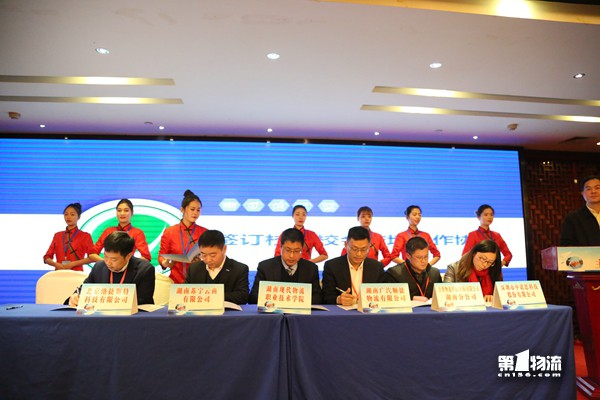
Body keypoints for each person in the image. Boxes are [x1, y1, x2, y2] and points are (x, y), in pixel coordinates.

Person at [67, 231, 155, 306]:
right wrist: (75, 296)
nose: (108, 262)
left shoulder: (145, 270)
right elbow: (84, 289)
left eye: (113, 259)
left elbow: (144, 302)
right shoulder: (99, 267)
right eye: (105, 256)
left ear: (128, 256)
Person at [249, 228, 322, 304]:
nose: (291, 255)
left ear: (302, 249)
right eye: (288, 250)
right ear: (281, 247)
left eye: (297, 251)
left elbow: (317, 298)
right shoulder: (265, 267)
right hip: (273, 311)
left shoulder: (311, 269)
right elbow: (253, 297)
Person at [322, 226, 384, 305]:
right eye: (354, 249)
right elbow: (325, 297)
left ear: (369, 247)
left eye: (364, 249)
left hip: (369, 311)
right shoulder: (332, 266)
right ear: (346, 245)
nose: (359, 254)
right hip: (343, 312)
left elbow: (383, 295)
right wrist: (338, 299)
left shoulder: (377, 268)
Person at [185, 230, 249, 305]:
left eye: (213, 255)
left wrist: (211, 296)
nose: (208, 259)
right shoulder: (194, 269)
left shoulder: (239, 269)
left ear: (224, 249)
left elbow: (243, 297)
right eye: (203, 255)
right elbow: (185, 293)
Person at [158, 190, 207, 283]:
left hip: (199, 282)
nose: (195, 213)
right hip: (175, 282)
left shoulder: (204, 233)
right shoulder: (170, 232)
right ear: (182, 210)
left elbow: (211, 258)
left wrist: (202, 260)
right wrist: (165, 263)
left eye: (198, 210)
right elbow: (162, 255)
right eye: (192, 209)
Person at [382, 236, 442, 300]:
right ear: (408, 256)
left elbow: (441, 296)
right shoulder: (394, 274)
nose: (423, 261)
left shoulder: (435, 273)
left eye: (426, 256)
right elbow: (388, 297)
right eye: (419, 257)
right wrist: (411, 298)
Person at [43, 202, 94, 271]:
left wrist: (73, 263)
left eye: (72, 214)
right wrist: (56, 264)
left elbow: (92, 257)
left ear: (79, 217)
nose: (68, 217)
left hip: (77, 273)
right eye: (66, 214)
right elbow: (47, 257)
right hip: (59, 272)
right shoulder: (57, 235)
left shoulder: (85, 236)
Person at [560, 175, 600, 246]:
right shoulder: (573, 218)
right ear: (582, 193)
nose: (593, 191)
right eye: (588, 189)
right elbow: (566, 244)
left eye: (597, 188)